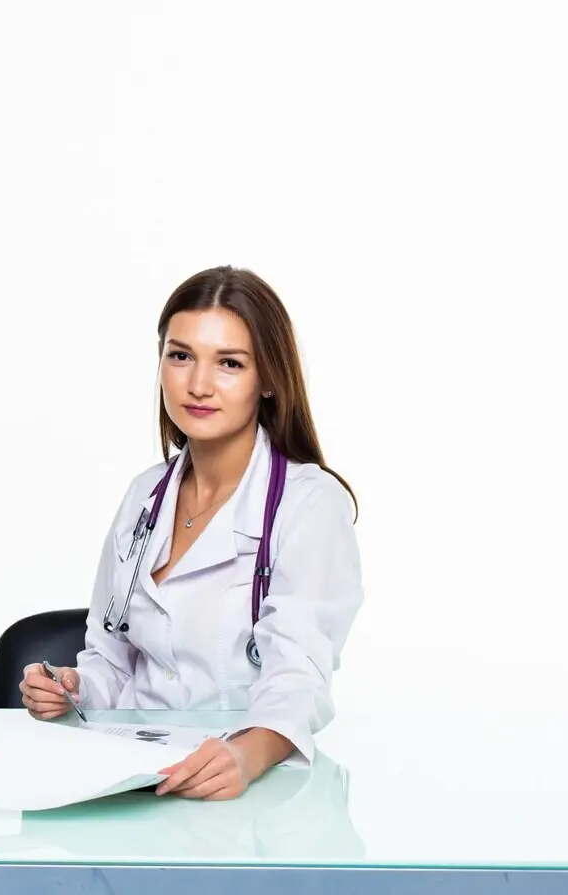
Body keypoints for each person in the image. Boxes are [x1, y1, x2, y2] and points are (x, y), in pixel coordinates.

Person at [19, 266, 363, 801]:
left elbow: (299, 676)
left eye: (229, 363)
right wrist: (72, 688)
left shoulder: (309, 504)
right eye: (180, 356)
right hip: (132, 775)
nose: (198, 385)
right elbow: (113, 660)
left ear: (268, 378)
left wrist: (245, 756)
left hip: (248, 789)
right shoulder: (144, 496)